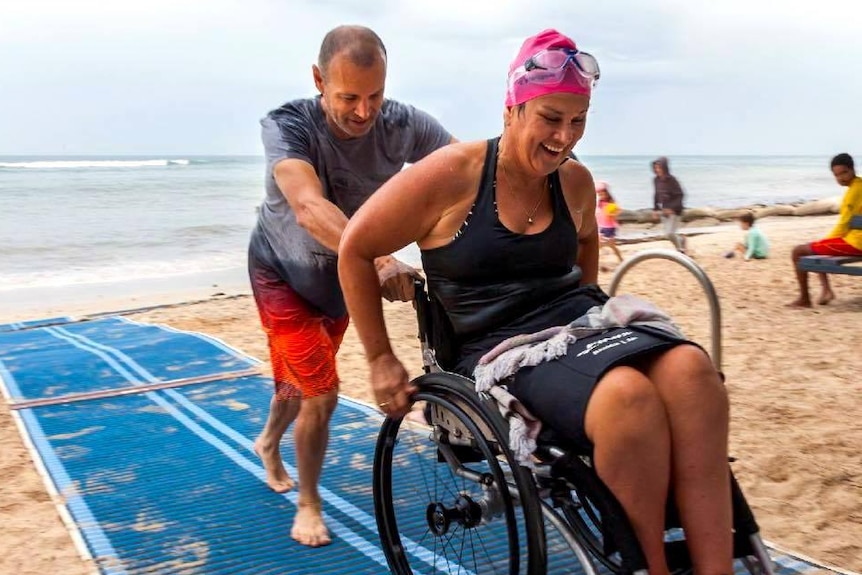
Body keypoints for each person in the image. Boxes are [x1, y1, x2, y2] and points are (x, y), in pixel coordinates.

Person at [339, 29, 732, 575]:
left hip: (576, 327)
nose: (564, 137)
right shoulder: (453, 174)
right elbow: (354, 248)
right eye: (551, 118)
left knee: (693, 372)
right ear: (513, 107)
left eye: (578, 121)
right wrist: (380, 357)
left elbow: (587, 240)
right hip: (495, 349)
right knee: (627, 397)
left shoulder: (573, 181)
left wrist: (587, 311)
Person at [247, 24, 454, 547]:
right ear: (319, 80)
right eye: (348, 98)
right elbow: (308, 207)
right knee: (322, 393)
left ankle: (268, 443)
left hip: (341, 278)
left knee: (297, 383)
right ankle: (309, 503)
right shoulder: (288, 125)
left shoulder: (403, 124)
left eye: (375, 96)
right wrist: (381, 259)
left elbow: (468, 168)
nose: (364, 112)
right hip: (281, 273)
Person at [788, 153, 862, 307]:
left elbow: (844, 224)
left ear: (852, 169)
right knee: (815, 248)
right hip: (854, 238)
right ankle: (827, 290)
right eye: (836, 175)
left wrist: (824, 241)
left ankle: (805, 299)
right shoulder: (858, 185)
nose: (841, 178)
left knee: (799, 251)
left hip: (857, 243)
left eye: (844, 173)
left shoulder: (855, 190)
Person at [652, 156, 688, 253]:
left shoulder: (672, 180)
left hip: (675, 211)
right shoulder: (656, 180)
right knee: (668, 235)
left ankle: (681, 251)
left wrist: (672, 208)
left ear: (665, 167)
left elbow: (681, 195)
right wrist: (655, 209)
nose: (657, 170)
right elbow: (656, 194)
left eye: (659, 167)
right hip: (664, 210)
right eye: (655, 168)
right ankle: (681, 242)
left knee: (670, 233)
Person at [595, 180, 623, 265]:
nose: (600, 196)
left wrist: (613, 214)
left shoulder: (611, 203)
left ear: (607, 193)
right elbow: (599, 213)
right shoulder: (600, 202)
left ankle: (621, 260)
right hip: (602, 226)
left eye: (602, 194)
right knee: (600, 245)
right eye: (599, 194)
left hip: (610, 227)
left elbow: (618, 211)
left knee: (610, 246)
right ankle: (599, 262)